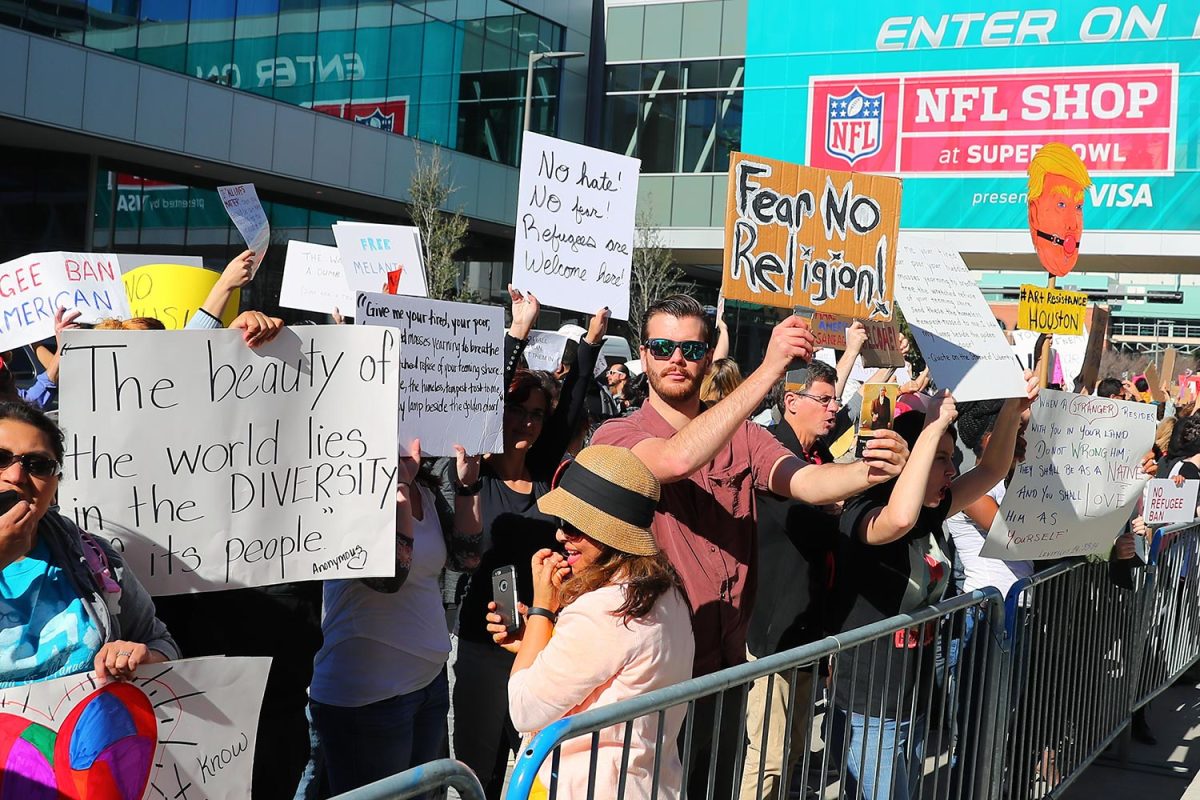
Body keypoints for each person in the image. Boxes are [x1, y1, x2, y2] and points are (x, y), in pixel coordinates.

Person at [592, 295, 909, 798]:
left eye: (691, 349)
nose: (677, 359)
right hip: (652, 679)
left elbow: (807, 482)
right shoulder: (619, 433)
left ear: (707, 357)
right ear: (644, 354)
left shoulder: (743, 436)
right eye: (662, 347)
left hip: (725, 671)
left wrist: (876, 469)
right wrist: (770, 369)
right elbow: (674, 460)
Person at [826, 377, 1036, 800]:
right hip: (871, 706)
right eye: (941, 458)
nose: (951, 468)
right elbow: (898, 520)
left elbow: (992, 470)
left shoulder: (930, 513)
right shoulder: (862, 515)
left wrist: (1013, 409)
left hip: (912, 700)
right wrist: (931, 428)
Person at [452, 288, 605, 799]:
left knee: (531, 770)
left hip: (541, 644)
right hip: (483, 645)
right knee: (478, 771)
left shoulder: (544, 477)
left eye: (537, 413)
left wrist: (591, 343)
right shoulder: (477, 474)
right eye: (516, 408)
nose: (526, 421)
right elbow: (481, 396)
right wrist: (517, 333)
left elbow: (576, 398)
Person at [487, 445, 693, 799]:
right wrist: (537, 638)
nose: (560, 535)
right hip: (646, 781)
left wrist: (542, 608)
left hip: (583, 785)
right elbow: (610, 673)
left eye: (573, 526)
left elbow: (524, 708)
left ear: (609, 533)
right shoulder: (667, 592)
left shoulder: (603, 609)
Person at [308, 440, 483, 794]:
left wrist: (468, 486)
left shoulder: (423, 487)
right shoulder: (346, 488)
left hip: (428, 684)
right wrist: (398, 486)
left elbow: (466, 558)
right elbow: (389, 577)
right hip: (371, 698)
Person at [0, 400, 178, 686]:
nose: (16, 476)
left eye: (37, 465)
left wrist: (141, 659)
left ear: (55, 484)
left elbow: (160, 644)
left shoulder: (94, 558)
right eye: (1, 458)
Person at [741, 359, 845, 800]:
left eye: (835, 399)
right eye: (824, 399)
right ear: (791, 402)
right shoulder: (774, 457)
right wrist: (838, 512)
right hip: (774, 632)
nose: (834, 408)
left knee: (796, 747)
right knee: (766, 756)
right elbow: (812, 528)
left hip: (807, 631)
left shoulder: (818, 456)